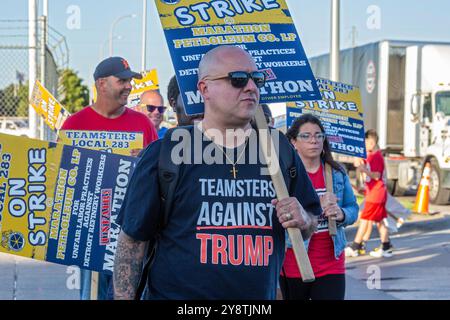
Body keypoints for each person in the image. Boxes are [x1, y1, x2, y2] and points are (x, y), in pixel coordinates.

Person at [113, 45, 322, 300]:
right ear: (204, 88)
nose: (250, 87)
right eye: (237, 79)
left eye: (256, 80)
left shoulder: (279, 150)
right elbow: (132, 242)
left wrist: (303, 218)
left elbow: (311, 221)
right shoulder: (165, 152)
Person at [60, 56, 158, 300]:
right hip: (89, 231)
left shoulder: (143, 124)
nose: (129, 86)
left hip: (131, 229)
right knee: (91, 294)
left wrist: (143, 159)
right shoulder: (74, 125)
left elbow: (159, 174)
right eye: (122, 80)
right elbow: (61, 180)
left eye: (130, 81)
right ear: (102, 84)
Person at [279, 114, 358, 300]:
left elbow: (353, 208)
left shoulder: (336, 172)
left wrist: (342, 214)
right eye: (306, 136)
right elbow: (276, 219)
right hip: (294, 263)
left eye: (318, 135)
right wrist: (316, 206)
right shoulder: (283, 177)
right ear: (293, 142)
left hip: (332, 264)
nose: (313, 140)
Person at [345, 129, 394, 258]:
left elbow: (377, 176)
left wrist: (364, 170)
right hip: (375, 193)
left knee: (365, 219)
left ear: (372, 142)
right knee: (379, 221)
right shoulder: (371, 156)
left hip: (376, 194)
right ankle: (386, 246)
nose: (365, 145)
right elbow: (361, 164)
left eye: (366, 142)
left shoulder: (376, 156)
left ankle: (356, 246)